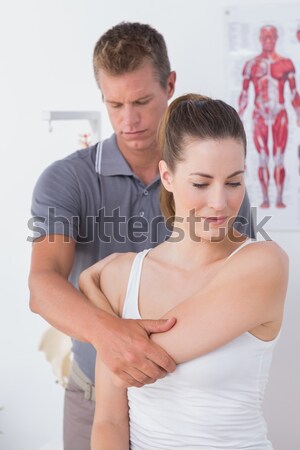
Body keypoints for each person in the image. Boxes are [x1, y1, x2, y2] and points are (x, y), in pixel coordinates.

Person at [28, 23, 254, 450]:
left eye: (142, 101)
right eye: (114, 104)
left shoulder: (215, 183)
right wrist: (109, 334)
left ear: (170, 85)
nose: (128, 120)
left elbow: (236, 281)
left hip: (187, 401)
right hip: (94, 395)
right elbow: (42, 286)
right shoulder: (68, 179)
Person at [79, 94, 288, 450]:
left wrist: (88, 290)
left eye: (234, 182)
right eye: (202, 183)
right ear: (168, 177)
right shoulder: (121, 277)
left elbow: (136, 358)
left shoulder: (262, 264)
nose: (220, 203)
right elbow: (110, 420)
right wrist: (94, 294)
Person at [238, 24, 300, 208]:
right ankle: (265, 198)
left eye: (271, 36)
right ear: (259, 39)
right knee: (263, 157)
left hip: (280, 113)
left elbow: (294, 93)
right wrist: (237, 118)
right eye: (264, 37)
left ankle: (279, 198)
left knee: (279, 157)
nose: (268, 40)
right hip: (260, 115)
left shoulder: (286, 63)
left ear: (276, 38)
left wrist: (298, 114)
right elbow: (243, 93)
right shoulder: (251, 65)